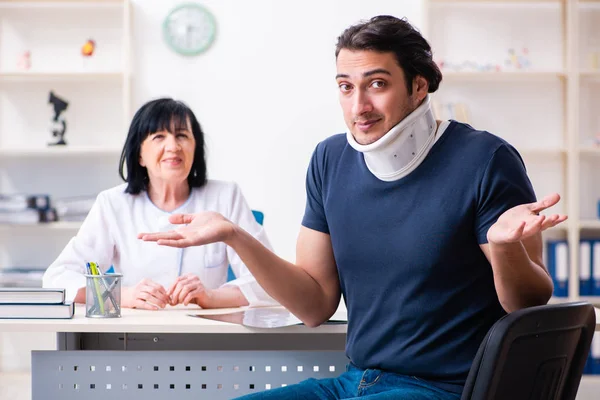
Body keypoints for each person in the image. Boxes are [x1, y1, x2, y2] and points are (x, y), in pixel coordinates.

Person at [139, 16, 567, 399]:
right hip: (356, 382)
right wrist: (235, 236)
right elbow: (314, 305)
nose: (358, 105)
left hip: (445, 389)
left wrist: (505, 247)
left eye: (377, 84)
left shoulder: (485, 158)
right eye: (346, 87)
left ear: (419, 86)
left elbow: (529, 301)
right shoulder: (330, 160)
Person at [43, 98, 276, 310]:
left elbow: (270, 283)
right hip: (135, 338)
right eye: (159, 137)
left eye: (182, 135)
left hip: (207, 336)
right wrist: (123, 295)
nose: (173, 146)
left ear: (196, 148)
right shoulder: (112, 204)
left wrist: (212, 296)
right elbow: (58, 278)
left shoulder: (226, 196)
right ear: (140, 155)